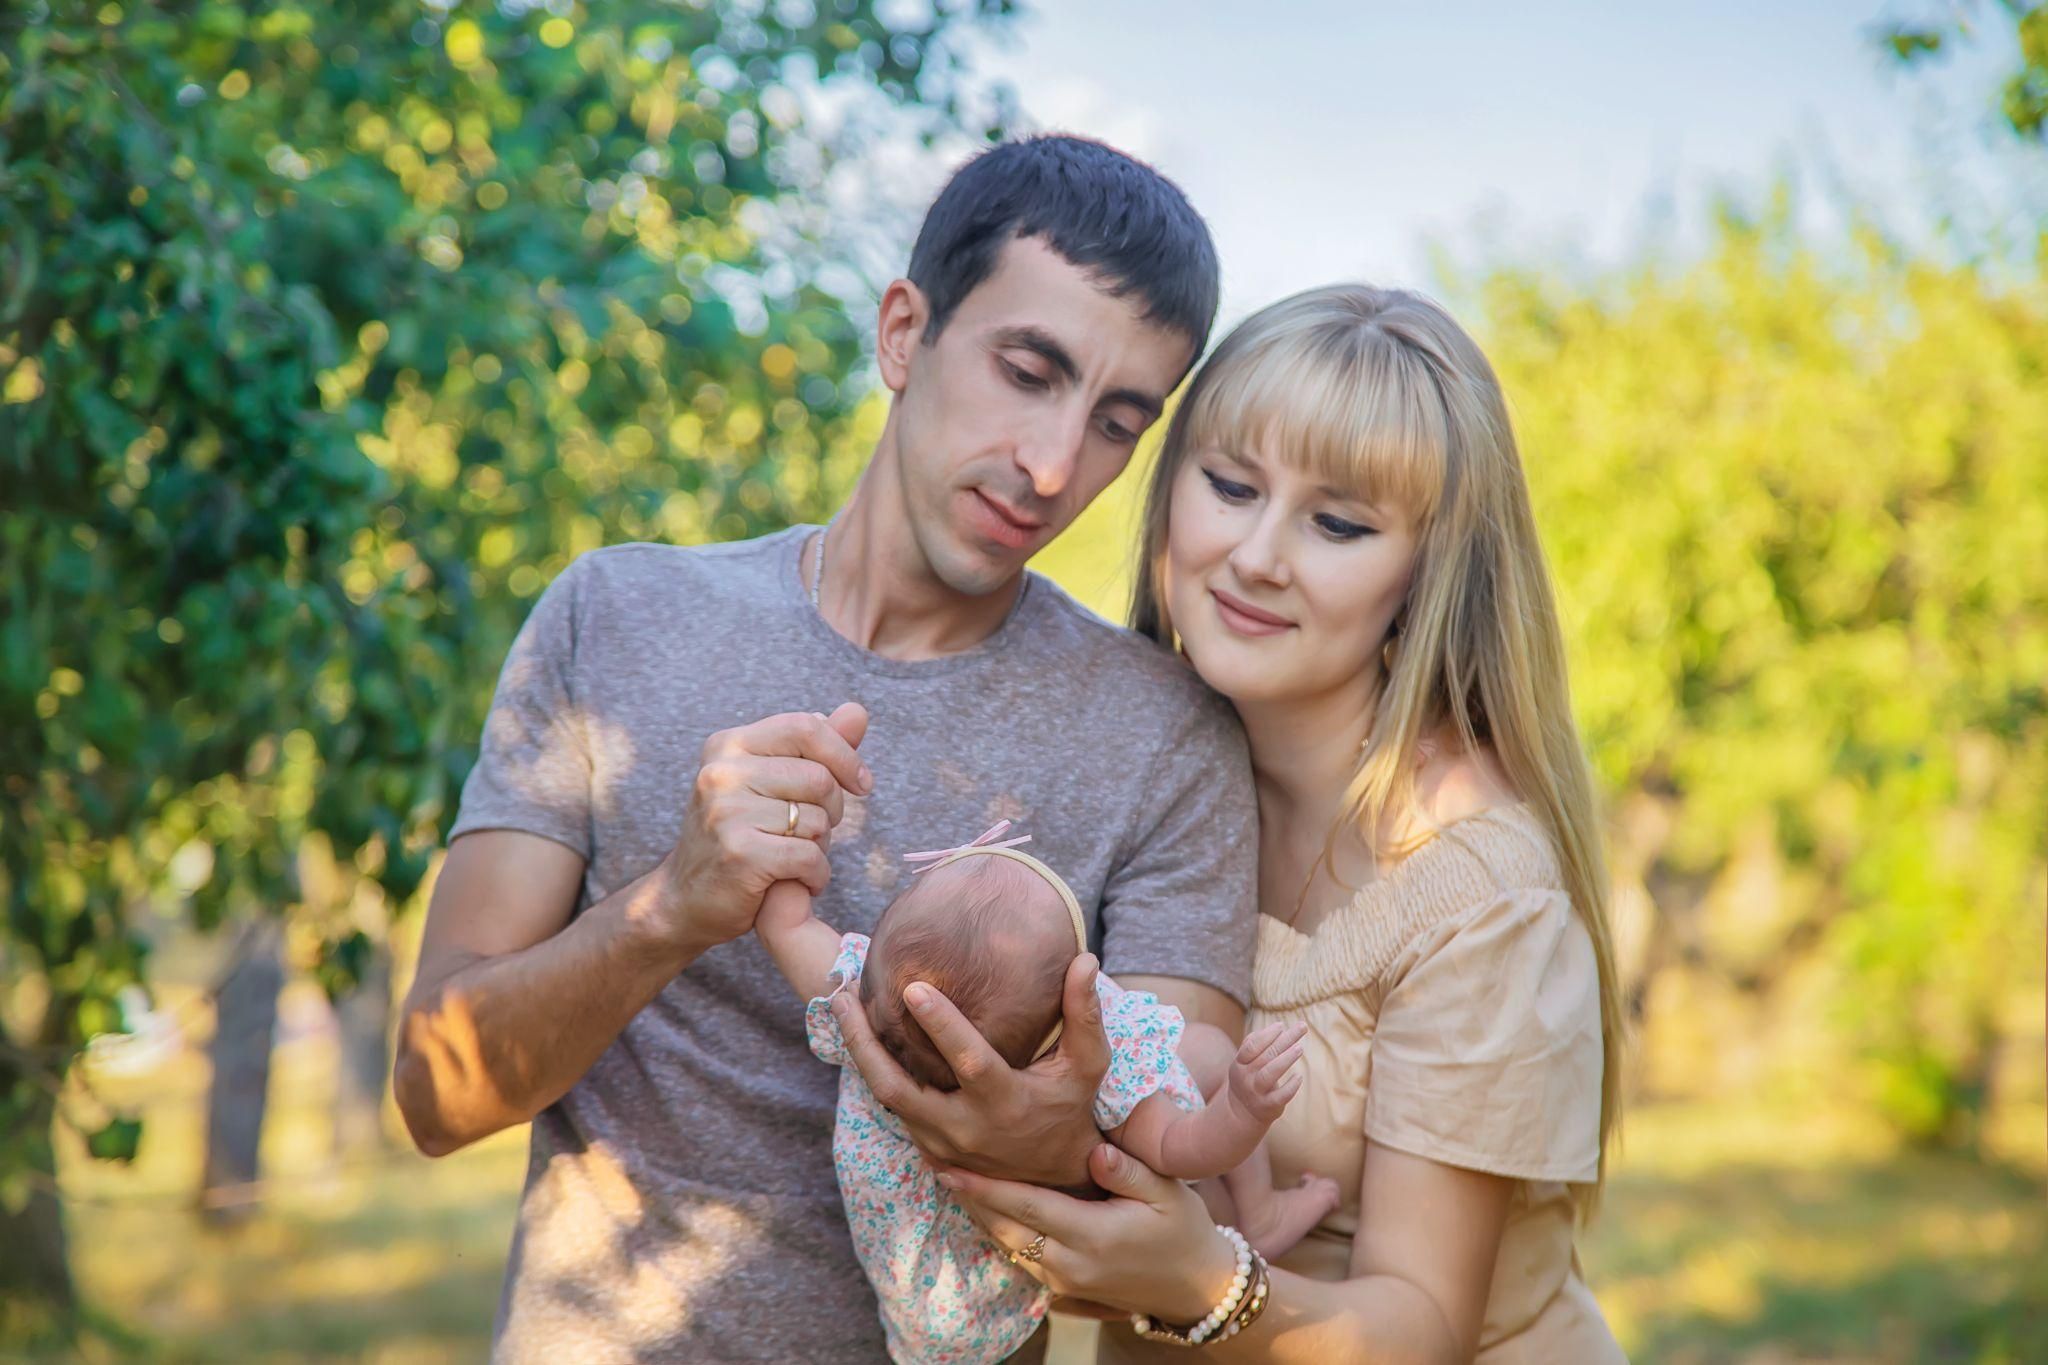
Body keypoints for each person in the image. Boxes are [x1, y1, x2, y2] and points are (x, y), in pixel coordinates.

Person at [390, 135, 1259, 1362]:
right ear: (904, 332)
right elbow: (436, 1093)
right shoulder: (614, 618)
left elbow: (1168, 1207)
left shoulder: (1164, 737)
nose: (1056, 465)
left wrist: (1040, 1130)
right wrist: (670, 909)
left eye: (1116, 422)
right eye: (1026, 369)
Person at [846, 285, 1631, 1362]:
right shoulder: (1126, 781)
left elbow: (1426, 1327)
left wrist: (1199, 1280)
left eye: (1337, 523)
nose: (1258, 555)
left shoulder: (1479, 883)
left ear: (1426, 575)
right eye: (1229, 485)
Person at [755, 820, 1331, 1363]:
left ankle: (1257, 1214)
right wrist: (1244, 1108)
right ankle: (1259, 1213)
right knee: (1209, 1054)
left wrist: (787, 834)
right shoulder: (1095, 1069)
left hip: (937, 1301)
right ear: (1067, 1014)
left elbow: (787, 925)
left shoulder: (857, 1004)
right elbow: (1181, 1148)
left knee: (1202, 1048)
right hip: (1012, 1267)